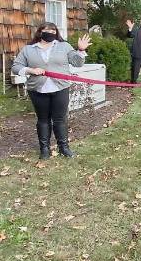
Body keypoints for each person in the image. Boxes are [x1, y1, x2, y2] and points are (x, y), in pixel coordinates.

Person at [11, 23, 92, 159]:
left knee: (60, 119)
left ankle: (64, 148)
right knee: (43, 120)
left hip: (60, 88)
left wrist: (80, 50)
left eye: (53, 30)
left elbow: (77, 63)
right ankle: (44, 150)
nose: (50, 32)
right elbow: (15, 67)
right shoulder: (28, 49)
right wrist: (30, 70)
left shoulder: (64, 46)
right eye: (47, 30)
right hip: (37, 89)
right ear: (40, 32)